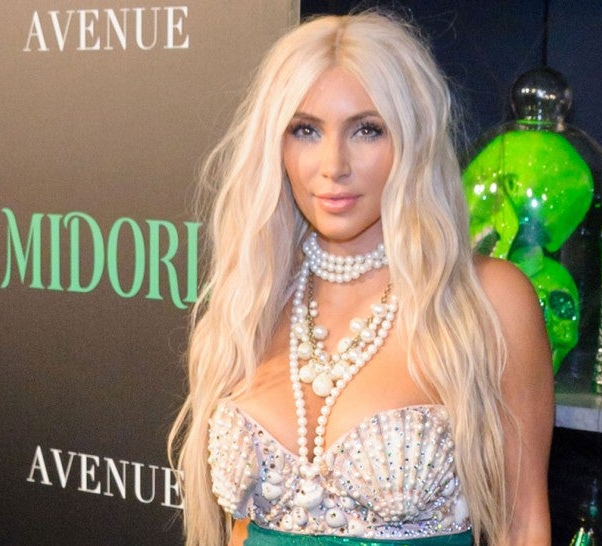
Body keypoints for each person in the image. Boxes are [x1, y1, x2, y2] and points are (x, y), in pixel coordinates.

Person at [169, 11, 554, 546]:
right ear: (276, 145)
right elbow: (240, 529)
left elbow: (523, 524)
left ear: (413, 140)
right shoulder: (249, 301)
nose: (333, 165)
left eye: (367, 130)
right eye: (305, 130)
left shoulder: (487, 299)